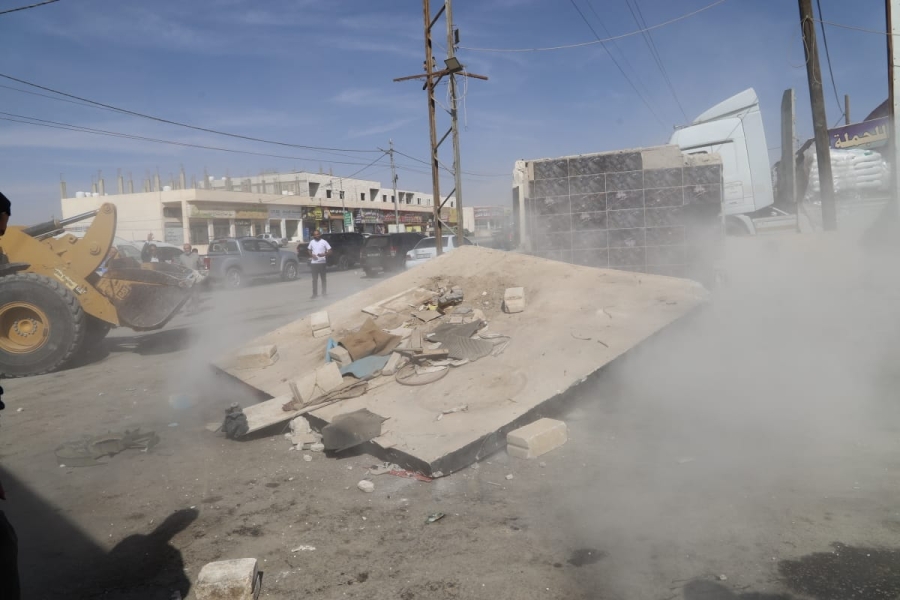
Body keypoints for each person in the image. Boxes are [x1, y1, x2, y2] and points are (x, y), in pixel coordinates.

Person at [307, 229, 331, 299]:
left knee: (323, 279)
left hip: (322, 263)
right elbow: (309, 250)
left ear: (320, 234)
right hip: (314, 264)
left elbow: (330, 251)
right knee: (314, 279)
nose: (316, 236)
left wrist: (324, 254)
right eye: (315, 235)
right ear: (313, 236)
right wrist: (312, 255)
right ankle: (314, 294)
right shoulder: (312, 242)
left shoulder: (324, 242)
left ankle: (324, 293)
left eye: (317, 234)